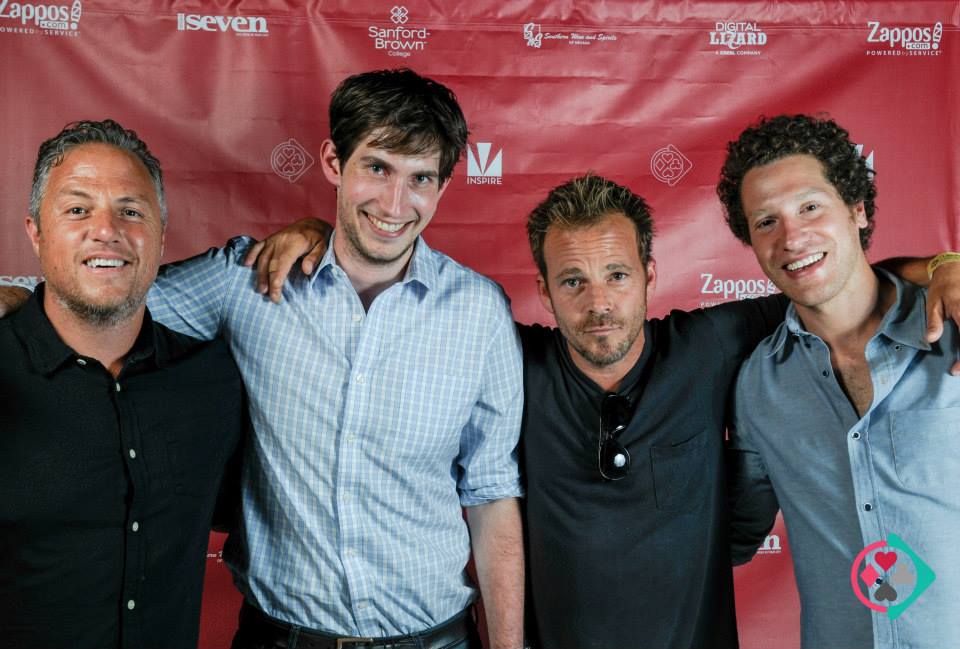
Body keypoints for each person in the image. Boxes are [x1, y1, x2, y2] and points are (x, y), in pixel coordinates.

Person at [253, 165, 960, 648]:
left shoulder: (709, 346)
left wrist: (941, 267)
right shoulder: (507, 357)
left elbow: (837, 282)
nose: (599, 304)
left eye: (618, 275)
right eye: (574, 281)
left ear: (651, 274)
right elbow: (390, 278)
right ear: (544, 287)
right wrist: (324, 231)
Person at [146, 69, 525, 649]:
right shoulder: (246, 282)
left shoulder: (480, 313)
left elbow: (491, 494)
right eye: (377, 168)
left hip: (435, 639)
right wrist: (18, 294)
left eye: (420, 177)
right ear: (332, 162)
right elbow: (109, 303)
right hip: (280, 638)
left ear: (443, 185)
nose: (396, 203)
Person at [0, 119, 244, 649]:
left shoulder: (211, 378)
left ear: (160, 235)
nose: (106, 229)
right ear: (35, 233)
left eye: (131, 211)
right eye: (77, 209)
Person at [720, 114, 960, 649]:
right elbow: (734, 534)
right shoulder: (759, 384)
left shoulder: (954, 331)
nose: (792, 237)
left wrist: (947, 263)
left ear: (856, 209)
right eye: (766, 222)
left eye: (810, 207)